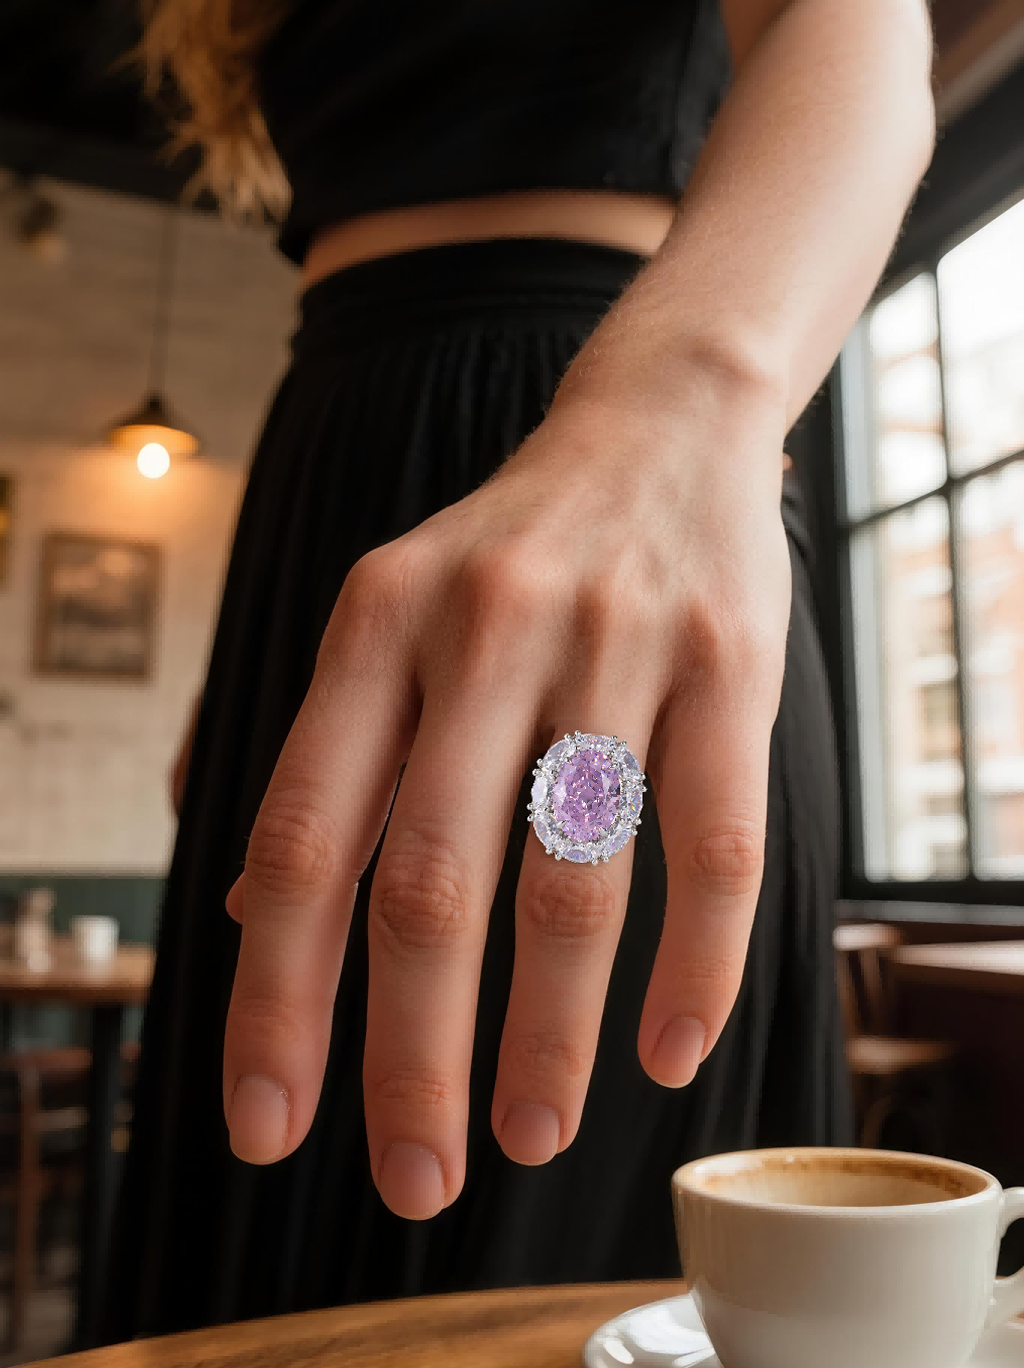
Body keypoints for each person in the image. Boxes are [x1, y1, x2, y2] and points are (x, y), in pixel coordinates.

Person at [102, 0, 935, 1342]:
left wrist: (690, 396)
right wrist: (256, 660)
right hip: (336, 507)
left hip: (616, 467)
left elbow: (853, 25)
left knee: (559, 1238)